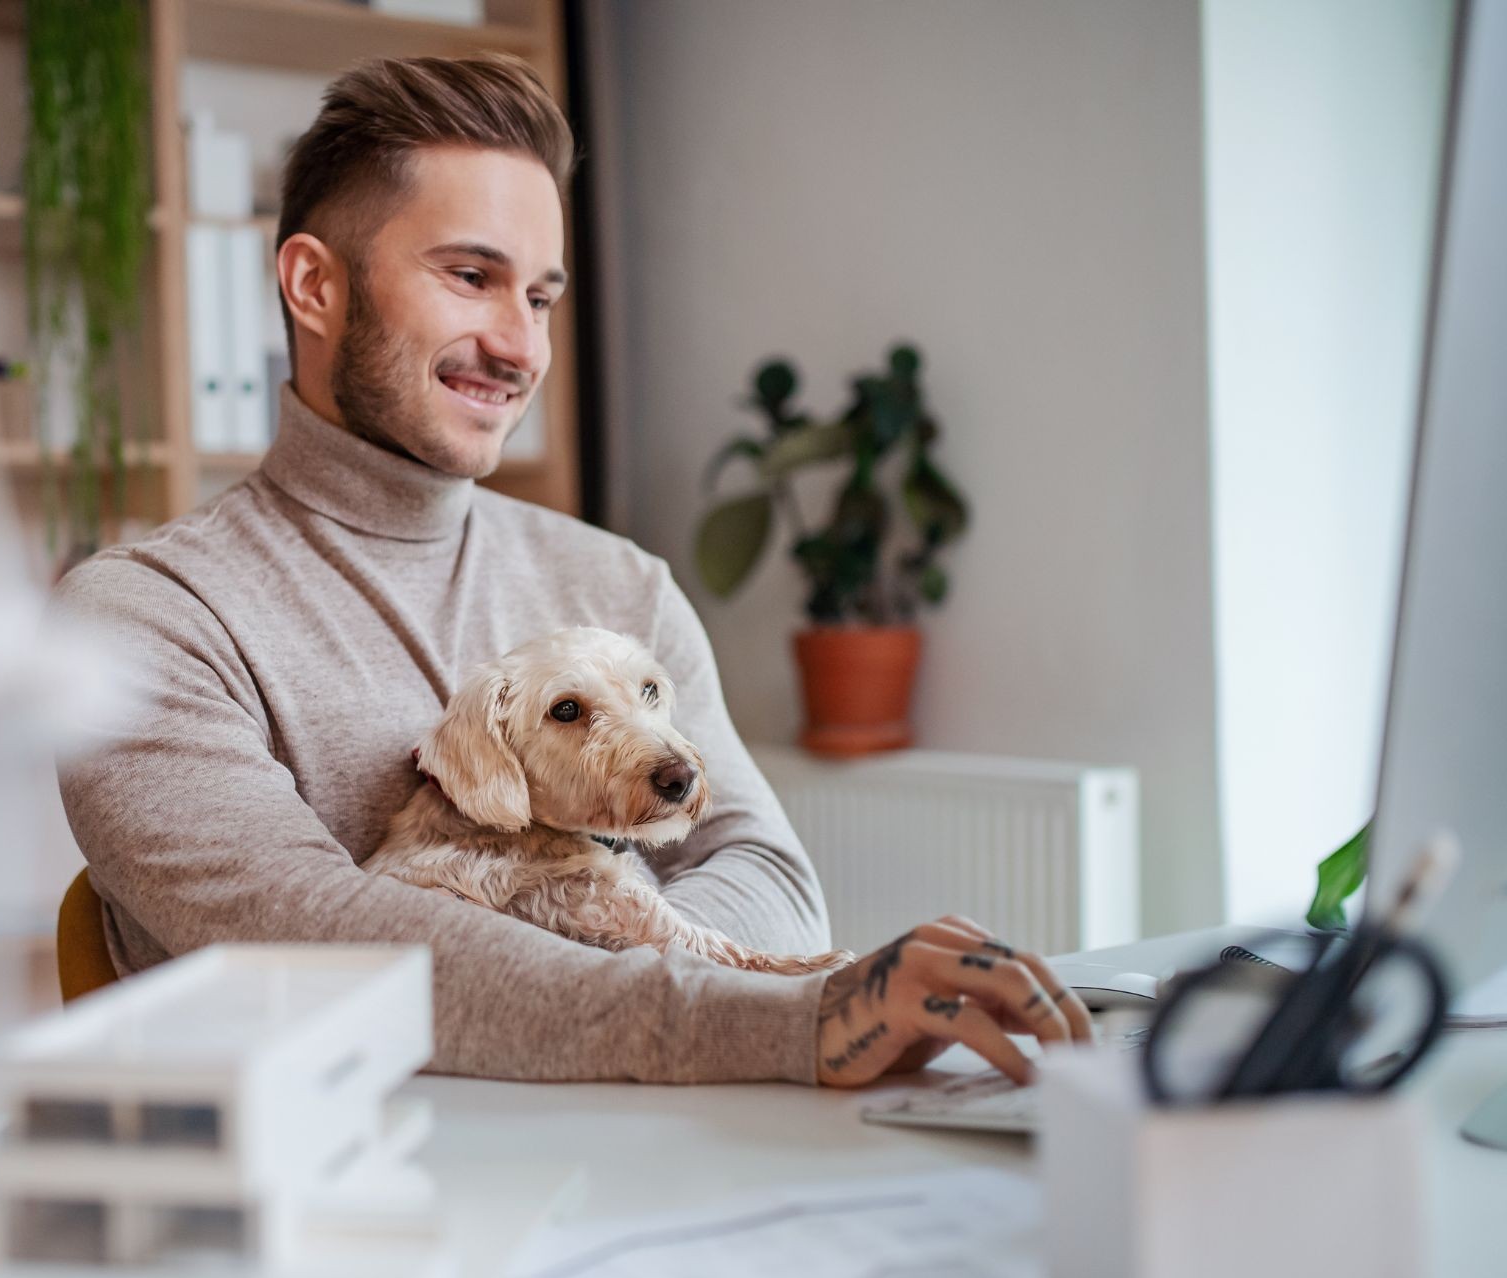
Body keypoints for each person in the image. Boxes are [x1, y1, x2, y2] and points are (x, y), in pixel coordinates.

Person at [53, 53, 1090, 1088]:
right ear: (314, 285)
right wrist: (768, 1015)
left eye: (540, 297)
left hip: (650, 1150)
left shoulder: (618, 586)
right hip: (345, 1208)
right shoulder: (144, 622)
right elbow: (328, 947)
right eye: (471, 276)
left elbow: (769, 876)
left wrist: (627, 981)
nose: (519, 346)